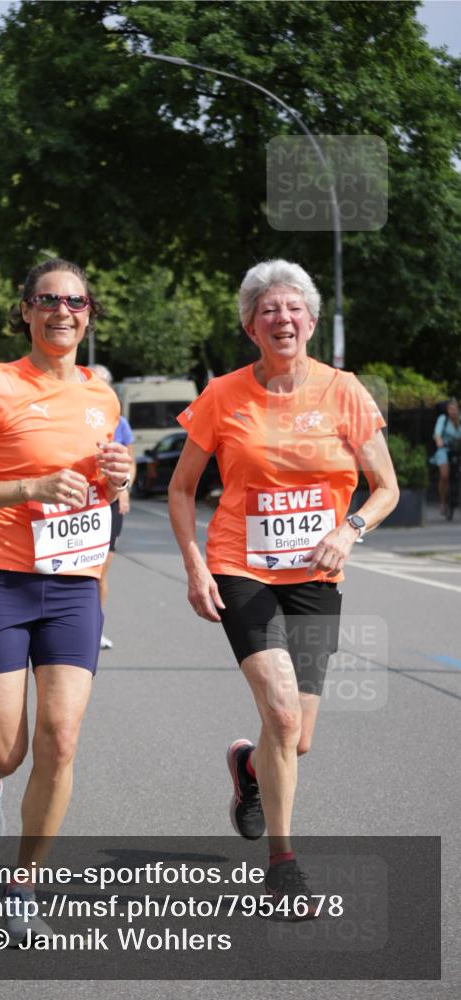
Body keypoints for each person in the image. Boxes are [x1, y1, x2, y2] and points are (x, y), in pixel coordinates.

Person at [168, 260, 399, 919]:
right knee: (282, 714)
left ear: (311, 320)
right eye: (268, 310)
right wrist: (194, 564)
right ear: (249, 326)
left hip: (317, 576)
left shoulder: (344, 391)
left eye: (293, 308)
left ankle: (247, 768)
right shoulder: (222, 395)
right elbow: (182, 489)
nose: (282, 319)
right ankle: (282, 862)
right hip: (242, 566)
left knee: (294, 740)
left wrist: (349, 529)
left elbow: (385, 488)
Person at [0, 258, 131, 945]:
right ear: (25, 310)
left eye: (75, 301)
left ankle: (23, 886)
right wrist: (29, 489)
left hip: (73, 584)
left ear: (88, 314)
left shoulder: (102, 397)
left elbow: (103, 489)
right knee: (9, 748)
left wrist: (119, 475)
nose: (62, 311)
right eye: (47, 299)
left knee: (61, 737)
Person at [89, 365, 137, 649]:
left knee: (100, 570)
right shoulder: (70, 412)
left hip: (111, 499)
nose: (100, 387)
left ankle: (95, 629)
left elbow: (129, 461)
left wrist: (125, 489)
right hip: (79, 501)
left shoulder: (119, 420)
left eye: (104, 383)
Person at [431, 397, 461, 515]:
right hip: (444, 449)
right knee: (444, 476)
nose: (453, 411)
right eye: (450, 409)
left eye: (455, 409)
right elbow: (437, 434)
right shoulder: (443, 419)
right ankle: (443, 502)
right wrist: (439, 441)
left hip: (458, 449)